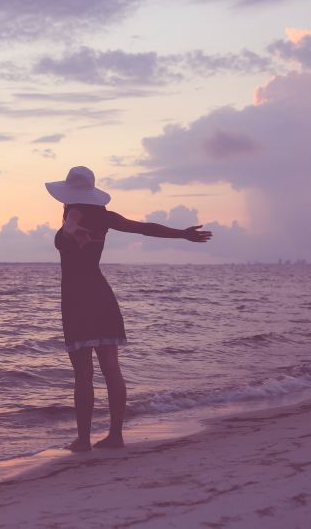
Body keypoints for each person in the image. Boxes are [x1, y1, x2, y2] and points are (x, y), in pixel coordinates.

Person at [45, 166, 212, 452]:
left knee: (83, 374)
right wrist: (182, 234)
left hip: (76, 300)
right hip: (101, 296)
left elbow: (73, 222)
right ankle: (115, 436)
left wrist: (72, 231)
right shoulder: (106, 217)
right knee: (111, 368)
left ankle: (83, 440)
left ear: (68, 194)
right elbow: (144, 228)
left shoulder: (73, 213)